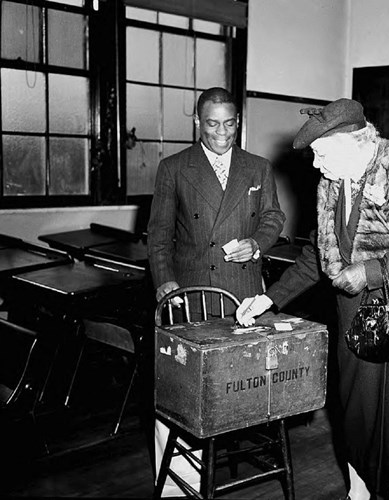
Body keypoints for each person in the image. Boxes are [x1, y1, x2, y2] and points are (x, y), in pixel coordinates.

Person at [236, 98, 389, 500]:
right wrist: (269, 299)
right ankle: (356, 494)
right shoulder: (332, 182)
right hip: (357, 322)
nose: (315, 165)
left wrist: (370, 271)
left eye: (321, 154)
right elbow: (317, 256)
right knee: (357, 416)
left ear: (354, 143)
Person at [147, 86, 285, 495]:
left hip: (242, 294)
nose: (221, 132)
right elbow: (158, 235)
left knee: (243, 386)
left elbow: (274, 217)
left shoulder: (257, 167)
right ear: (196, 122)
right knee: (182, 390)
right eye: (212, 123)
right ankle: (179, 486)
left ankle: (233, 463)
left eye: (229, 123)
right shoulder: (174, 167)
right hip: (191, 292)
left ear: (237, 123)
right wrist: (165, 282)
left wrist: (257, 243)